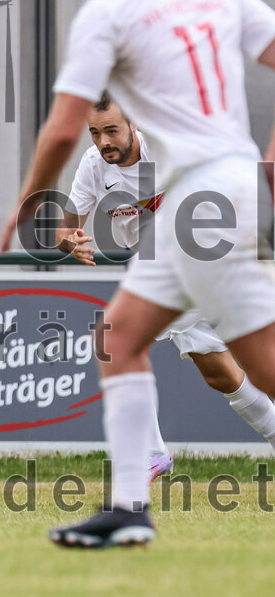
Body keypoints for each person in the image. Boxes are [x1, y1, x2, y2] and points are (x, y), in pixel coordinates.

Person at [0, 0, 275, 548]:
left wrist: (31, 196)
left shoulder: (108, 10)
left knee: (258, 357)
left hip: (205, 201)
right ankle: (129, 504)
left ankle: (131, 497)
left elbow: (64, 125)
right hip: (216, 193)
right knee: (118, 337)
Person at [58, 94, 275, 479]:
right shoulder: (93, 166)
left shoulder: (169, 147)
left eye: (112, 130)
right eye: (94, 132)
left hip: (206, 255)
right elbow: (64, 227)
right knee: (221, 374)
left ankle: (150, 455)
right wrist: (68, 241)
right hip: (161, 268)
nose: (103, 141)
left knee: (116, 341)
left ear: (134, 124)